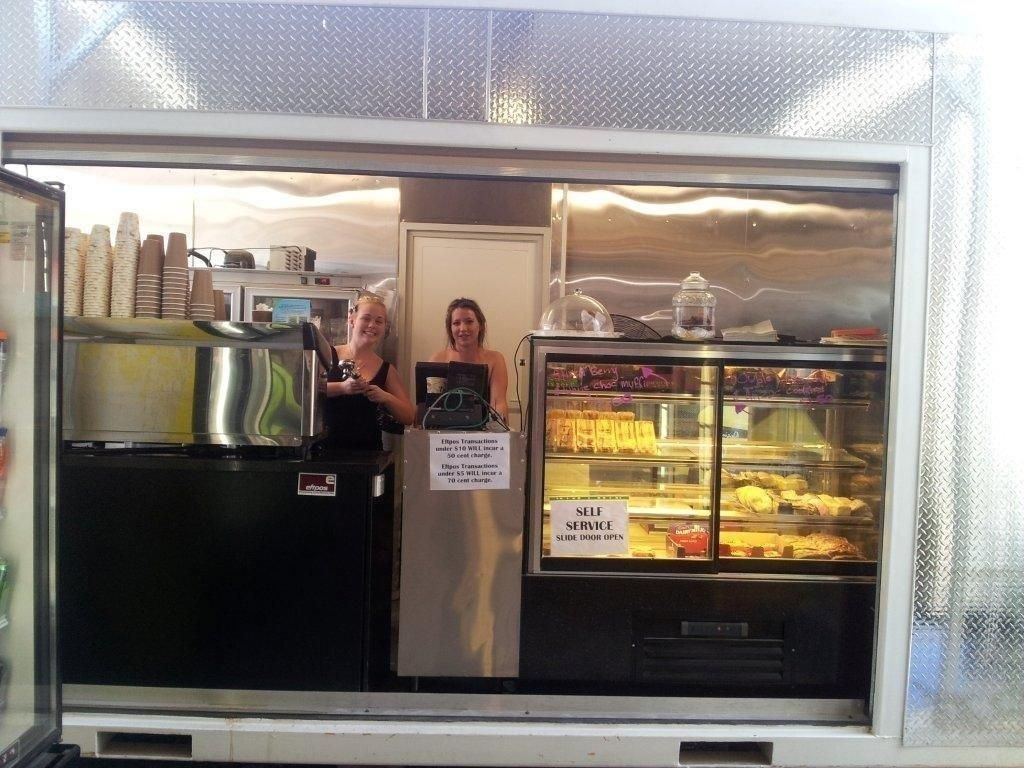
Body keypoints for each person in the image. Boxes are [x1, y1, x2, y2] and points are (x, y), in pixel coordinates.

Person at [322, 294, 415, 451]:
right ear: (352, 320)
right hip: (323, 449)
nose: (372, 325)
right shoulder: (327, 354)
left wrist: (386, 397)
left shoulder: (387, 369)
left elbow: (408, 416)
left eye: (379, 321)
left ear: (384, 327)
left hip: (368, 453)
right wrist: (342, 388)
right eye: (366, 318)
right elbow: (304, 392)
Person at [429, 297, 509, 422]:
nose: (463, 328)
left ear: (480, 325)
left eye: (469, 321)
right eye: (456, 323)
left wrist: (501, 435)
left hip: (482, 437)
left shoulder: (495, 359)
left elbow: (498, 404)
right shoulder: (437, 359)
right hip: (444, 436)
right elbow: (428, 406)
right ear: (450, 328)